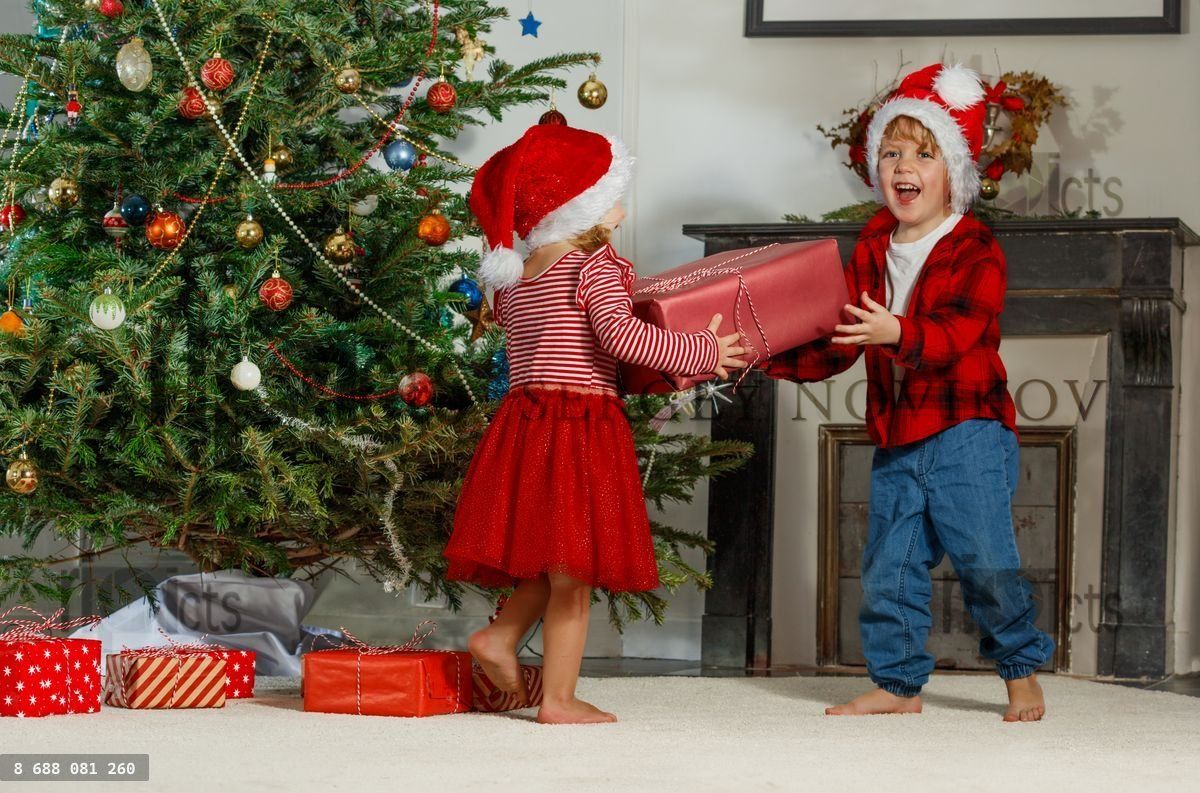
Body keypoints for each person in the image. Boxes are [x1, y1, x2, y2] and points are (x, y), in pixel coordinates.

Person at [764, 63, 1054, 721]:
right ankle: (898, 683)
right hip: (897, 434)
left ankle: (1020, 669)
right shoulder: (872, 241)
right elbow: (842, 338)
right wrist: (763, 358)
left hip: (968, 432)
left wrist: (896, 328)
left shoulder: (975, 246)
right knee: (888, 566)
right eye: (891, 151)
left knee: (986, 561)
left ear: (953, 169)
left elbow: (959, 331)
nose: (904, 165)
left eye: (923, 153)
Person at [444, 124, 746, 724]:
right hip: (580, 425)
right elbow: (621, 337)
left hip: (525, 424)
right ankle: (557, 700)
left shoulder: (520, 276)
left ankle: (498, 638)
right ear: (573, 205)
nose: (621, 210)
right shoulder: (596, 265)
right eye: (610, 197)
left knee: (548, 556)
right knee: (574, 570)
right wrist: (702, 354)